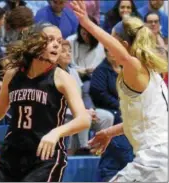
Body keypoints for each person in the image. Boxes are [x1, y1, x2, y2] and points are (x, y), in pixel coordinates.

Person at [0, 23, 90, 182]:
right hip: (12, 154)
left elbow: (84, 119)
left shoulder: (62, 78)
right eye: (50, 39)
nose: (57, 44)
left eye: (59, 40)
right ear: (33, 42)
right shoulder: (13, 74)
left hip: (44, 156)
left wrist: (55, 133)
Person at [71, 1, 168, 182]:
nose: (108, 51)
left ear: (123, 45)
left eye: (111, 46)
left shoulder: (135, 67)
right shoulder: (153, 75)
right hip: (161, 159)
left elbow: (123, 55)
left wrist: (86, 22)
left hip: (154, 161)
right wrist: (109, 133)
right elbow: (139, 121)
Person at [58, 40, 114, 155]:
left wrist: (91, 109)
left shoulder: (73, 72)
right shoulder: (53, 74)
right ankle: (84, 149)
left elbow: (84, 95)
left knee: (106, 117)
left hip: (80, 110)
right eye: (63, 51)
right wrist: (82, 111)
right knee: (84, 116)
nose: (68, 54)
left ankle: (98, 151)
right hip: (63, 113)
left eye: (69, 51)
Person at [90, 49, 134, 181]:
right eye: (111, 52)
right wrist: (120, 105)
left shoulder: (127, 69)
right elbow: (99, 93)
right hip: (109, 109)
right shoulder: (101, 70)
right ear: (106, 53)